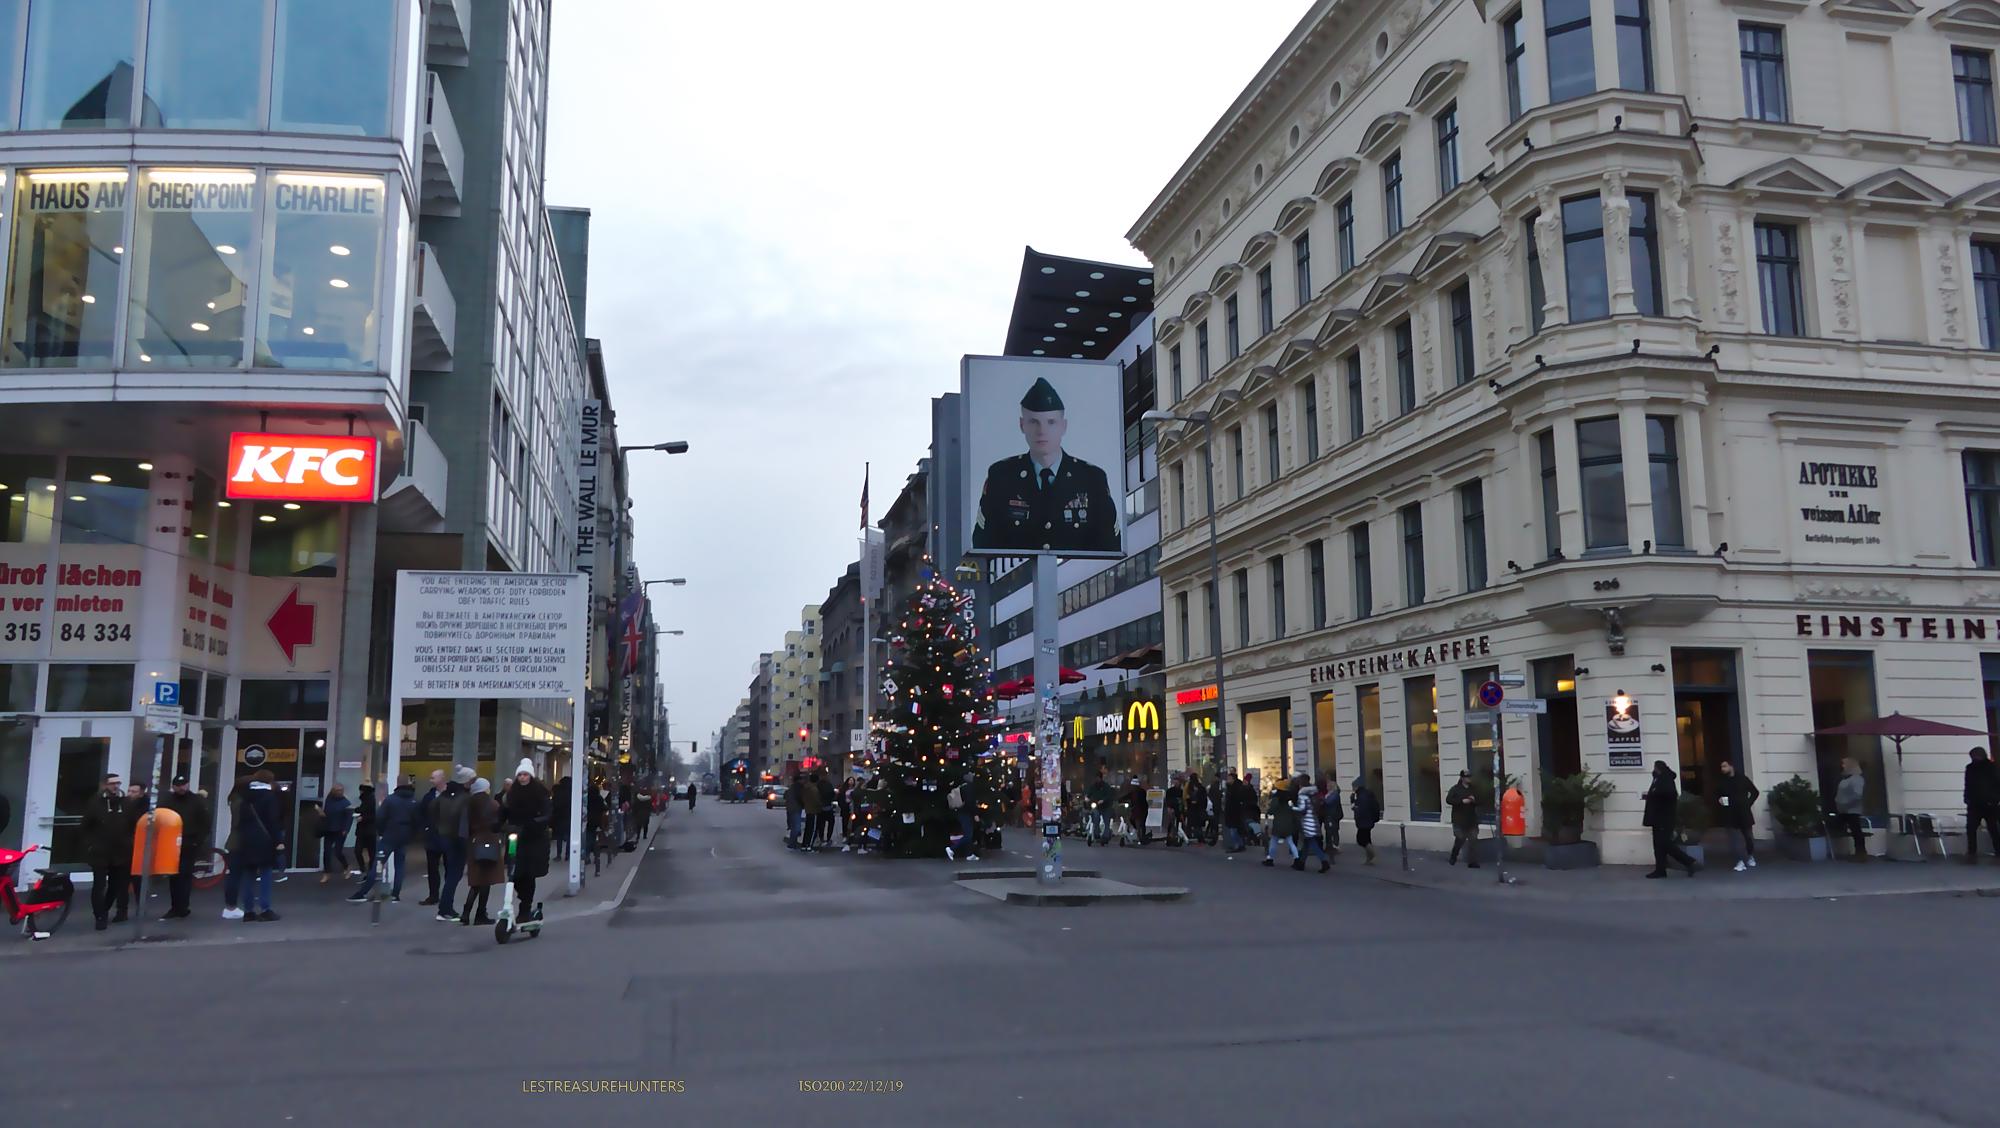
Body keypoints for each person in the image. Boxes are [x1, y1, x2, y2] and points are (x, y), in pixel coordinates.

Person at [970, 376, 1120, 553]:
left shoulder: (1092, 478)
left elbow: (1110, 545)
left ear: (1063, 426)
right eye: (1034, 422)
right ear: (1022, 425)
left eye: (1051, 422)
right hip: (1024, 571)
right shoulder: (1001, 476)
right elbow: (983, 544)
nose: (1042, 431)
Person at [80, 772, 136, 930]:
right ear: (105, 785)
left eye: (118, 783)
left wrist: (129, 842)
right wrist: (90, 845)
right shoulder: (96, 802)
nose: (116, 786)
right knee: (99, 885)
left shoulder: (126, 802)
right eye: (112, 783)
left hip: (121, 851)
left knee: (116, 884)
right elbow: (86, 826)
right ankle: (100, 916)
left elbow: (133, 824)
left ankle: (105, 908)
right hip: (100, 851)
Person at [351, 776, 417, 902]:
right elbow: (417, 820)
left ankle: (363, 893)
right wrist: (410, 834)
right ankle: (395, 894)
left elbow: (380, 817)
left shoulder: (391, 799)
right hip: (404, 836)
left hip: (390, 835)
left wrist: (382, 832)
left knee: (378, 863)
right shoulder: (413, 801)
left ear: (397, 783)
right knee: (400, 865)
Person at [503, 758, 552, 922]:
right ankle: (523, 900)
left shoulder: (540, 793)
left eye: (525, 775)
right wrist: (498, 824)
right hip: (516, 838)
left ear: (530, 776)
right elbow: (505, 811)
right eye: (520, 775)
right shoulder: (512, 794)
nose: (522, 777)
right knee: (514, 874)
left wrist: (534, 823)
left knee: (529, 874)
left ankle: (525, 908)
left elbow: (547, 814)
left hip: (534, 839)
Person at [159, 773, 210, 920]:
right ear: (173, 787)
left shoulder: (196, 801)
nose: (182, 788)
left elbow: (205, 822)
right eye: (178, 785)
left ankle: (183, 906)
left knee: (185, 875)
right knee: (174, 875)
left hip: (189, 842)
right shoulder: (168, 801)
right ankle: (176, 906)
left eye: (184, 785)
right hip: (171, 843)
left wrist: (198, 841)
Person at [236, 769, 286, 919]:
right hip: (265, 840)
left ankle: (248, 911)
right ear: (269, 781)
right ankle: (265, 909)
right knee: (265, 874)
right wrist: (279, 840)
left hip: (247, 840)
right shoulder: (269, 797)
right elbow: (272, 821)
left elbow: (241, 820)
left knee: (249, 875)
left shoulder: (246, 797)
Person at [1643, 761, 1699, 878]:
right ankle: (1660, 870)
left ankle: (1689, 861)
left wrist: (1654, 795)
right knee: (1658, 845)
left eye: (1655, 768)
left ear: (1658, 768)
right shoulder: (1658, 779)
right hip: (1657, 818)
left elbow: (1669, 794)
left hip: (1664, 818)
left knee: (1665, 844)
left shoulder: (1666, 780)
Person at [459, 778, 504, 926]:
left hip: (474, 843)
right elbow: (498, 823)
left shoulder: (468, 803)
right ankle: (480, 914)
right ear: (486, 789)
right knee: (486, 880)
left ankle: (466, 913)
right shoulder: (493, 804)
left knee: (476, 881)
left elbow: (464, 827)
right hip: (490, 842)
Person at [433, 766, 474, 922]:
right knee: (454, 875)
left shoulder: (445, 795)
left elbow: (432, 811)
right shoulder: (464, 798)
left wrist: (439, 828)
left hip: (445, 837)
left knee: (451, 874)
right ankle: (445, 909)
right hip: (458, 839)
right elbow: (463, 820)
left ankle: (445, 908)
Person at [1715, 759, 1760, 872]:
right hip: (1729, 812)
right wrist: (1719, 800)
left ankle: (1750, 856)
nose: (1723, 769)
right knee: (1733, 839)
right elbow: (1717, 794)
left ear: (1731, 766)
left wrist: (1748, 803)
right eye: (1721, 767)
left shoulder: (1742, 779)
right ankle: (1739, 861)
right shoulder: (1722, 781)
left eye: (1725, 766)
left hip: (1743, 811)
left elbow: (1755, 792)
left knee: (1748, 836)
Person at [1963, 747, 2000, 862]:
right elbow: (1967, 784)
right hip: (1977, 803)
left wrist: (1994, 799)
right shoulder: (1972, 768)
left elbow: (1997, 783)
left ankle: (1996, 850)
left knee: (1992, 828)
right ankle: (1972, 851)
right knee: (1972, 828)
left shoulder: (1991, 767)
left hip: (1987, 803)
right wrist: (1967, 798)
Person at [417, 769, 448, 906]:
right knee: (432, 868)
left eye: (433, 778)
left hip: (448, 836)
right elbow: (422, 813)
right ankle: (433, 895)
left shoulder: (451, 795)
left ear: (442, 778)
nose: (431, 780)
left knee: (449, 868)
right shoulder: (429, 796)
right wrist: (425, 828)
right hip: (432, 837)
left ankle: (447, 895)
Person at [1292, 777, 1330, 873]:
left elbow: (1302, 809)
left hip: (1307, 822)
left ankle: (1324, 861)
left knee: (1312, 843)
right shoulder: (1313, 794)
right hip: (1313, 820)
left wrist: (1292, 807)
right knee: (1307, 843)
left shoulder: (1302, 795)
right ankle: (1301, 863)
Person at [1833, 757, 1869, 861]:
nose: (1842, 766)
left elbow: (1858, 795)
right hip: (1843, 810)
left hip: (1852, 810)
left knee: (1856, 831)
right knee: (1847, 828)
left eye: (1844, 764)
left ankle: (1861, 853)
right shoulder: (1845, 779)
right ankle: (1847, 851)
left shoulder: (1857, 779)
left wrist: (1846, 804)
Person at [319, 783, 354, 884]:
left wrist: (346, 829)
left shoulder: (346, 803)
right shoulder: (329, 800)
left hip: (340, 831)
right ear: (333, 791)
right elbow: (326, 813)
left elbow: (349, 818)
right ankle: (327, 873)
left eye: (341, 790)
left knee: (337, 852)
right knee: (326, 852)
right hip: (329, 829)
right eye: (338, 790)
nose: (340, 792)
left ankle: (347, 867)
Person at [1446, 770, 1481, 868]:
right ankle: (1454, 856)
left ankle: (1472, 862)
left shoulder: (1473, 789)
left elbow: (1480, 800)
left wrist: (1474, 800)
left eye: (1470, 777)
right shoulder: (1455, 789)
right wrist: (1461, 801)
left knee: (1473, 841)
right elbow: (1449, 800)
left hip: (1472, 819)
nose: (1469, 778)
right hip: (1459, 820)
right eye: (1467, 777)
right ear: (1462, 778)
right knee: (1460, 839)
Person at [1261, 776, 1298, 867]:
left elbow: (1271, 811)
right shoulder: (1290, 800)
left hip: (1278, 824)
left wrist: (1268, 811)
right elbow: (1293, 810)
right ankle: (1296, 859)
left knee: (1273, 842)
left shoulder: (1276, 800)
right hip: (1288, 823)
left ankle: (1270, 859)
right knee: (1291, 842)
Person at [945, 778, 980, 862]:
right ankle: (952, 849)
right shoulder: (969, 787)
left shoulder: (961, 787)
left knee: (968, 834)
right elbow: (970, 802)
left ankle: (969, 854)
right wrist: (975, 814)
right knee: (968, 835)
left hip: (961, 812)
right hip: (966, 813)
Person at [1350, 778, 1382, 865]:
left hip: (1364, 821)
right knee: (1367, 839)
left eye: (1353, 787)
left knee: (1361, 839)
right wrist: (1353, 801)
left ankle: (1373, 855)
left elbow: (1361, 809)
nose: (1352, 789)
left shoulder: (1362, 796)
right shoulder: (1365, 794)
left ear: (1357, 787)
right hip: (1369, 820)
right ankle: (1369, 859)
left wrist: (1354, 807)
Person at [352, 782, 377, 878]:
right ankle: (369, 870)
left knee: (360, 850)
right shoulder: (368, 799)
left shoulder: (370, 800)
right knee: (370, 852)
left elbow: (372, 815)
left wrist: (362, 817)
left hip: (367, 830)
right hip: (367, 830)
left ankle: (366, 870)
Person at [1084, 770, 1114, 842]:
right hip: (1096, 806)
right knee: (1096, 817)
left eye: (1098, 778)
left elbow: (1109, 795)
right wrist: (1086, 798)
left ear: (1101, 778)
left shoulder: (1106, 786)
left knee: (1106, 821)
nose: (1097, 779)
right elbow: (1088, 793)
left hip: (1106, 806)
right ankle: (1096, 833)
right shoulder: (1093, 786)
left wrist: (1103, 800)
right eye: (1096, 778)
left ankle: (1106, 836)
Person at [1318, 773, 1343, 858]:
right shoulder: (1329, 793)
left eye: (1328, 786)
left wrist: (1322, 799)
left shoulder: (1334, 794)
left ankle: (1335, 847)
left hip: (1333, 815)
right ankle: (1330, 847)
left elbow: (1328, 802)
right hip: (1329, 815)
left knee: (1333, 830)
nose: (1327, 787)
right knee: (1329, 830)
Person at [1121, 777, 1150, 845]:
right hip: (1135, 810)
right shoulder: (1132, 792)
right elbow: (1126, 797)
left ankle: (1142, 836)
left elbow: (1142, 801)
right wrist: (1120, 800)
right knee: (1132, 819)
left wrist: (1136, 804)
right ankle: (1137, 831)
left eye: (1134, 786)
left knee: (1142, 823)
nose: (1133, 787)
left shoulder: (1142, 792)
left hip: (1142, 810)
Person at [551, 775, 573, 862]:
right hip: (569, 816)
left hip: (559, 817)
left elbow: (554, 804)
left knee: (559, 837)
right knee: (569, 836)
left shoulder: (558, 792)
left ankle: (558, 854)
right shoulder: (572, 792)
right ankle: (567, 855)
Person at [1161, 774, 1183, 845]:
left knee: (1177, 823)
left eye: (1178, 782)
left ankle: (1175, 837)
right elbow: (1167, 800)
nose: (1176, 783)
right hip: (1172, 809)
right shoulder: (1170, 791)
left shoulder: (1181, 791)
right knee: (1172, 823)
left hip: (1178, 809)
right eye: (1175, 781)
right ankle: (1170, 837)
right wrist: (1169, 808)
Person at [817, 773, 837, 846]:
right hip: (828, 806)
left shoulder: (818, 785)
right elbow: (832, 794)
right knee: (831, 823)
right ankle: (828, 838)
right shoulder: (829, 784)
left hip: (820, 807)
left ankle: (821, 838)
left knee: (821, 824)